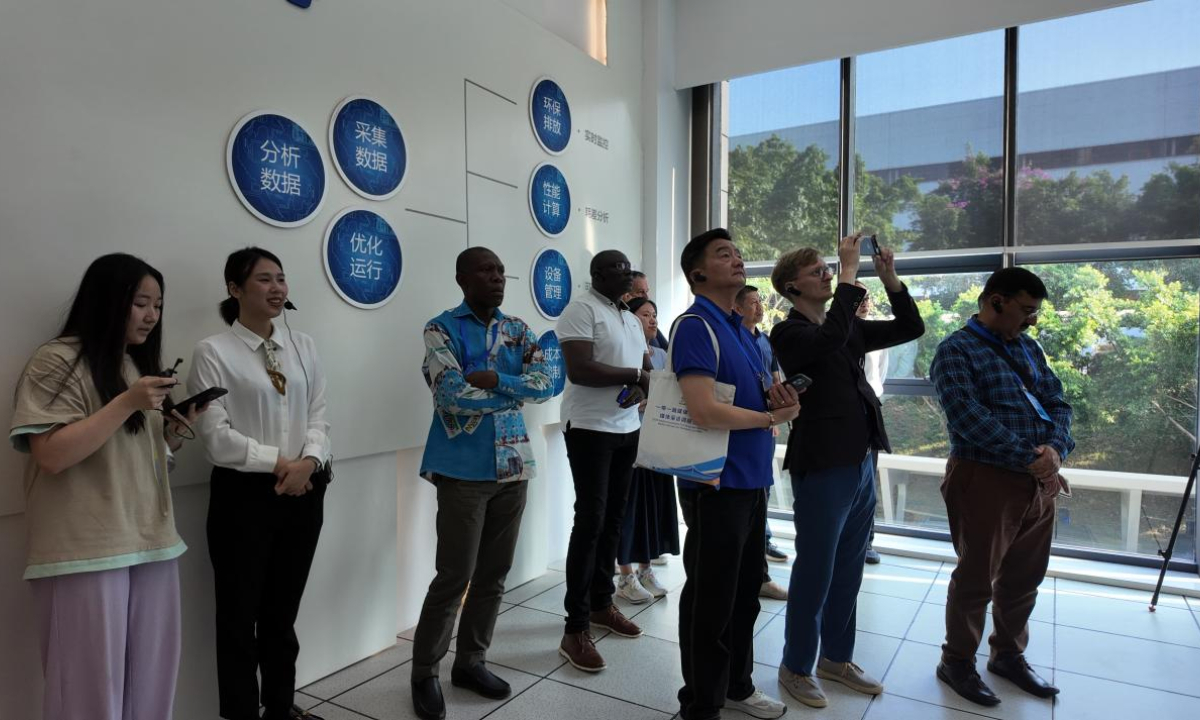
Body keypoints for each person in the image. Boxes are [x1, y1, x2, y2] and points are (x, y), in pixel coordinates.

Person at [10, 253, 206, 720]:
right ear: (106, 301)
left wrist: (172, 433)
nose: (152, 315)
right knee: (86, 691)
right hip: (85, 549)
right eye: (140, 303)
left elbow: (132, 461)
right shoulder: (56, 360)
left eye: (158, 305)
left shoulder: (135, 367)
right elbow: (51, 455)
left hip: (153, 542)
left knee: (152, 684)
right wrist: (126, 403)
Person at [769, 234, 924, 708]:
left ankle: (836, 658)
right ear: (792, 288)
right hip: (823, 462)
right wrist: (850, 273)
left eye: (828, 268)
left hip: (860, 458)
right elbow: (830, 338)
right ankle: (796, 666)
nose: (828, 274)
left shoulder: (846, 326)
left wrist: (890, 278)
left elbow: (911, 326)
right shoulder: (789, 333)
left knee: (850, 568)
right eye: (817, 271)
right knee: (816, 569)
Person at [409, 247, 553, 720]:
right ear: (462, 278)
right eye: (486, 270)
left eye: (501, 271)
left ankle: (471, 662)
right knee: (455, 575)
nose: (497, 277)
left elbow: (545, 384)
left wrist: (494, 379)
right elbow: (451, 396)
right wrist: (512, 390)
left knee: (494, 574)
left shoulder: (518, 330)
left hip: (512, 466)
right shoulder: (441, 328)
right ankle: (425, 673)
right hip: (462, 471)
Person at [189, 247, 332, 720]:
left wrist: (308, 462)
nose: (277, 288)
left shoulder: (303, 345)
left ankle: (281, 707)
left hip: (304, 490)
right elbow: (216, 436)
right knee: (237, 617)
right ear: (234, 289)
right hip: (244, 497)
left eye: (281, 279)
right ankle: (241, 713)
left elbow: (319, 414)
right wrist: (279, 464)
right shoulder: (214, 351)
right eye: (264, 279)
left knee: (281, 613)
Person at [930, 267, 1073, 707]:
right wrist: (1031, 458)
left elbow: (1058, 403)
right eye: (1026, 310)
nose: (1032, 320)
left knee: (1025, 576)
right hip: (985, 477)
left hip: (1038, 482)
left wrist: (1055, 450)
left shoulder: (1028, 348)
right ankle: (957, 661)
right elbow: (966, 417)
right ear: (996, 301)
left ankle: (1008, 655)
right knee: (976, 578)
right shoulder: (956, 350)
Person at [673, 228, 800, 720]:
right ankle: (701, 704)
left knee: (745, 595)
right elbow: (703, 411)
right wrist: (770, 418)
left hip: (751, 478)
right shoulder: (695, 326)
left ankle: (737, 686)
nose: (737, 259)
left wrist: (781, 403)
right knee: (711, 601)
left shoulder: (742, 330)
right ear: (697, 273)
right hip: (715, 484)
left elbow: (752, 397)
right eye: (723, 254)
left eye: (739, 253)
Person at [556, 249, 653, 672]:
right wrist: (635, 377)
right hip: (589, 428)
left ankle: (601, 604)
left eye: (627, 269)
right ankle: (575, 627)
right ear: (596, 274)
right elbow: (580, 370)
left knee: (614, 520)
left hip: (626, 428)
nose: (625, 275)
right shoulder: (581, 310)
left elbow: (646, 367)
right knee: (590, 521)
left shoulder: (630, 318)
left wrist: (642, 386)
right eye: (615, 269)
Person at [613, 297, 679, 604]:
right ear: (629, 320)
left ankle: (645, 569)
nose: (652, 320)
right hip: (629, 440)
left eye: (655, 314)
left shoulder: (663, 354)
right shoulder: (622, 354)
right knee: (628, 508)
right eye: (645, 314)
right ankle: (625, 575)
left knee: (651, 508)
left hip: (657, 441)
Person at [734, 285, 790, 568]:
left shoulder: (766, 340)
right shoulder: (734, 339)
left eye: (760, 302)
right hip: (745, 420)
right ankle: (753, 543)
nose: (759, 307)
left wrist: (777, 416)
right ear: (737, 308)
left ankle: (763, 540)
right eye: (753, 302)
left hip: (768, 421)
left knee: (764, 482)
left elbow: (775, 379)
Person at [856, 281, 886, 566]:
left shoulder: (877, 332)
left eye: (868, 298)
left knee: (869, 479)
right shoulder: (835, 333)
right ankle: (851, 540)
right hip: (847, 413)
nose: (865, 302)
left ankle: (867, 541)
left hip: (871, 410)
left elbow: (879, 374)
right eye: (859, 298)